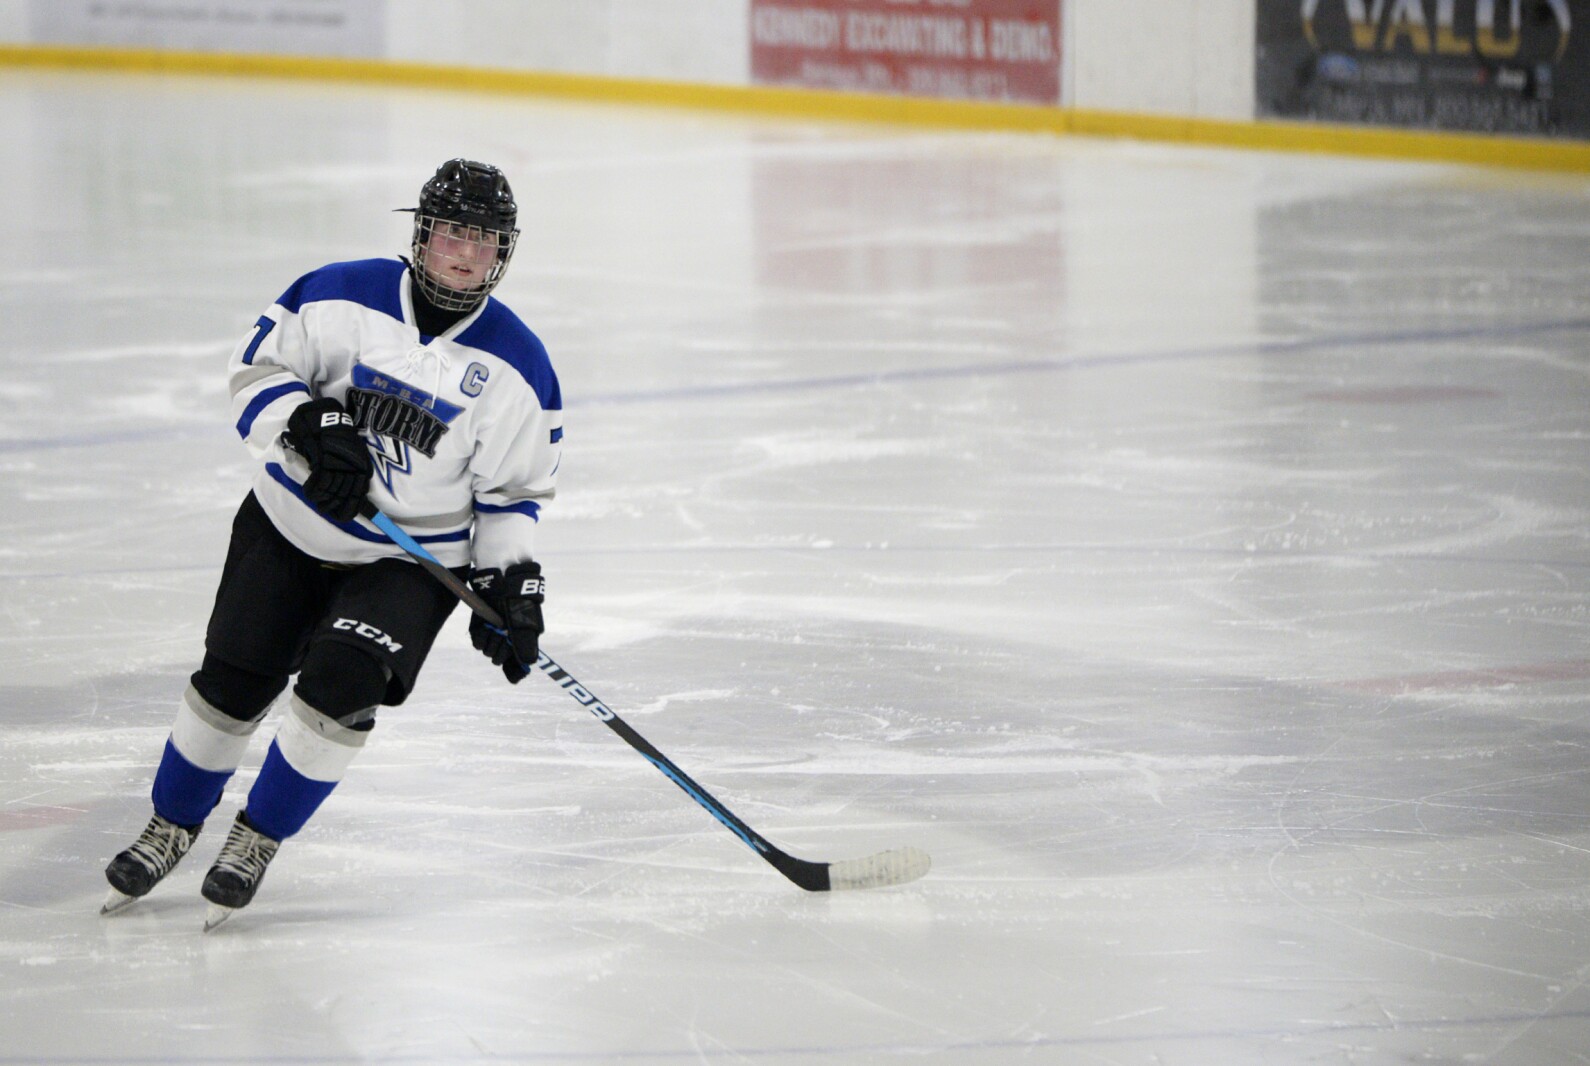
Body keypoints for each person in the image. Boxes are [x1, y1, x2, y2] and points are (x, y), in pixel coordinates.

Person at [101, 159, 562, 927]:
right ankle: (170, 825)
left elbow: (512, 495)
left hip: (407, 563)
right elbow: (256, 369)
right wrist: (309, 421)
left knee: (342, 685)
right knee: (232, 684)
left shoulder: (520, 365)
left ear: (503, 252)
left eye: (485, 241)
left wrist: (509, 584)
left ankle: (256, 838)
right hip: (287, 528)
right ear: (422, 233)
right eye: (453, 232)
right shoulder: (339, 292)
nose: (466, 254)